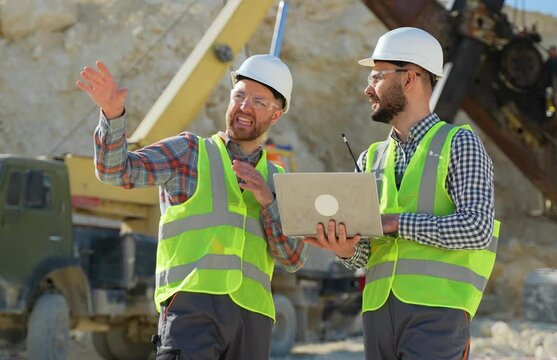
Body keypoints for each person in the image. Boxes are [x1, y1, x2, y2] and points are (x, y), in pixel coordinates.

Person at [76, 54, 309, 360]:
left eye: (258, 101)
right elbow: (114, 170)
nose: (244, 107)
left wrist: (268, 202)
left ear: (276, 115)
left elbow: (293, 258)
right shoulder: (188, 153)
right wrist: (112, 114)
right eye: (239, 96)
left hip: (253, 319)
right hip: (192, 310)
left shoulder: (280, 181)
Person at [303, 27, 500, 360]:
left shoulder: (460, 144)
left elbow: (476, 228)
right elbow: (364, 255)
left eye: (378, 77)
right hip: (378, 311)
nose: (368, 88)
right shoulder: (370, 158)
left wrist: (394, 221)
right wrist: (345, 247)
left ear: (410, 78)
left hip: (438, 310)